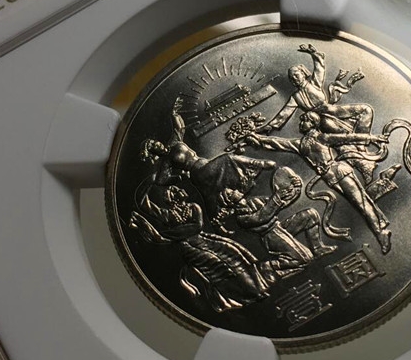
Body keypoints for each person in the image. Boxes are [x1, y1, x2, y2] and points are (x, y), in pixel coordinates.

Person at [245, 112, 394, 254]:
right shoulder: (301, 144)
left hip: (339, 171)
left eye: (304, 120)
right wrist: (258, 138)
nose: (300, 123)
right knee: (359, 202)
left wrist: (372, 137)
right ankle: (380, 228)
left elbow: (348, 137)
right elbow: (278, 142)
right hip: (330, 177)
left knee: (361, 203)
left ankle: (381, 233)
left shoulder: (322, 137)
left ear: (312, 123)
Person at [129, 184, 273, 312]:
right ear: (171, 198)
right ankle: (245, 296)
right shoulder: (168, 215)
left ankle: (257, 289)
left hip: (205, 239)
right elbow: (145, 205)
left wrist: (172, 233)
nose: (179, 190)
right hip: (189, 248)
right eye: (174, 190)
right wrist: (149, 183)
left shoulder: (193, 207)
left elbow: (197, 226)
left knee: (234, 254)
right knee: (218, 265)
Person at [140, 97, 276, 217]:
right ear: (153, 152)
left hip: (204, 165)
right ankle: (258, 164)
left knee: (214, 194)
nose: (157, 144)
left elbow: (179, 128)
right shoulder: (166, 160)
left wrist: (174, 114)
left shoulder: (174, 143)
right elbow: (161, 180)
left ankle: (222, 217)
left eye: (155, 142)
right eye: (153, 146)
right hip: (198, 171)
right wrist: (180, 177)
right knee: (227, 159)